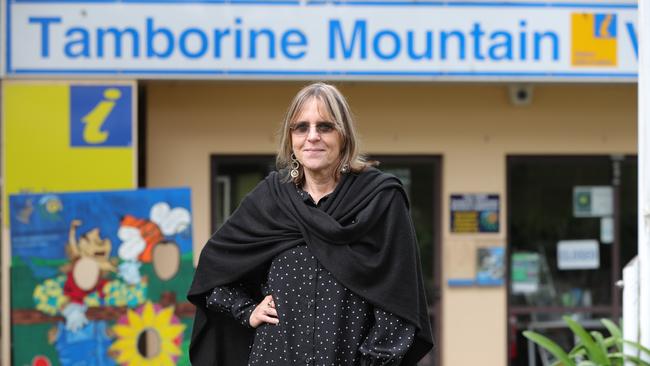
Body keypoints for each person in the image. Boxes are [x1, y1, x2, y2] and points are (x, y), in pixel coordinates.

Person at [187, 82, 433, 366]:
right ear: (290, 138)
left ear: (344, 135)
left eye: (325, 126)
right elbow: (213, 272)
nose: (312, 136)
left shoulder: (379, 200)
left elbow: (398, 299)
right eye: (301, 127)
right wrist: (247, 310)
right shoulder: (270, 199)